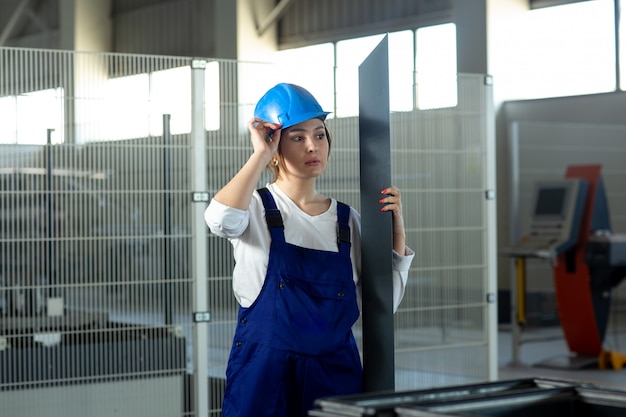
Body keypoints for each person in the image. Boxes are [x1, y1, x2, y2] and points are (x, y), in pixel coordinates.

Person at [204, 83, 414, 417]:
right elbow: (220, 220)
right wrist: (259, 154)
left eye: (319, 135)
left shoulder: (347, 221)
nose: (313, 146)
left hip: (334, 375)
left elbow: (383, 303)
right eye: (298, 137)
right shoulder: (255, 209)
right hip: (266, 376)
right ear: (275, 143)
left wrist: (396, 229)